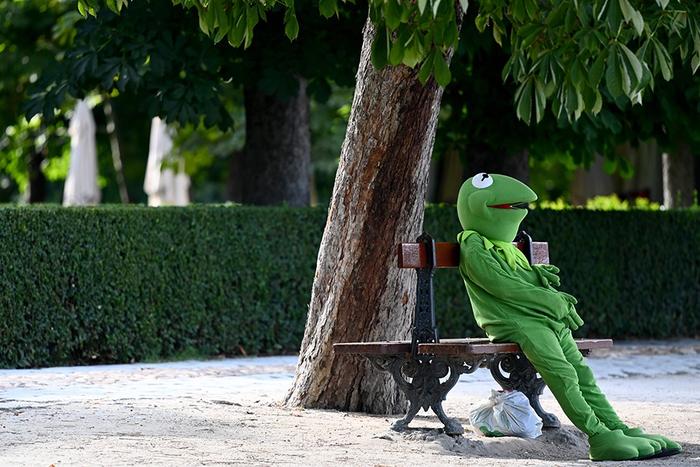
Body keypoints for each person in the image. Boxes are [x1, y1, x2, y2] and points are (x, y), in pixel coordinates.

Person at [456, 172, 681, 461]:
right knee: (562, 373)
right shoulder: (473, 244)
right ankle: (598, 436)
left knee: (581, 373)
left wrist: (541, 280)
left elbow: (522, 281)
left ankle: (615, 428)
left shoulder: (507, 249)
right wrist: (552, 301)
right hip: (513, 323)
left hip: (539, 319)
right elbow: (504, 287)